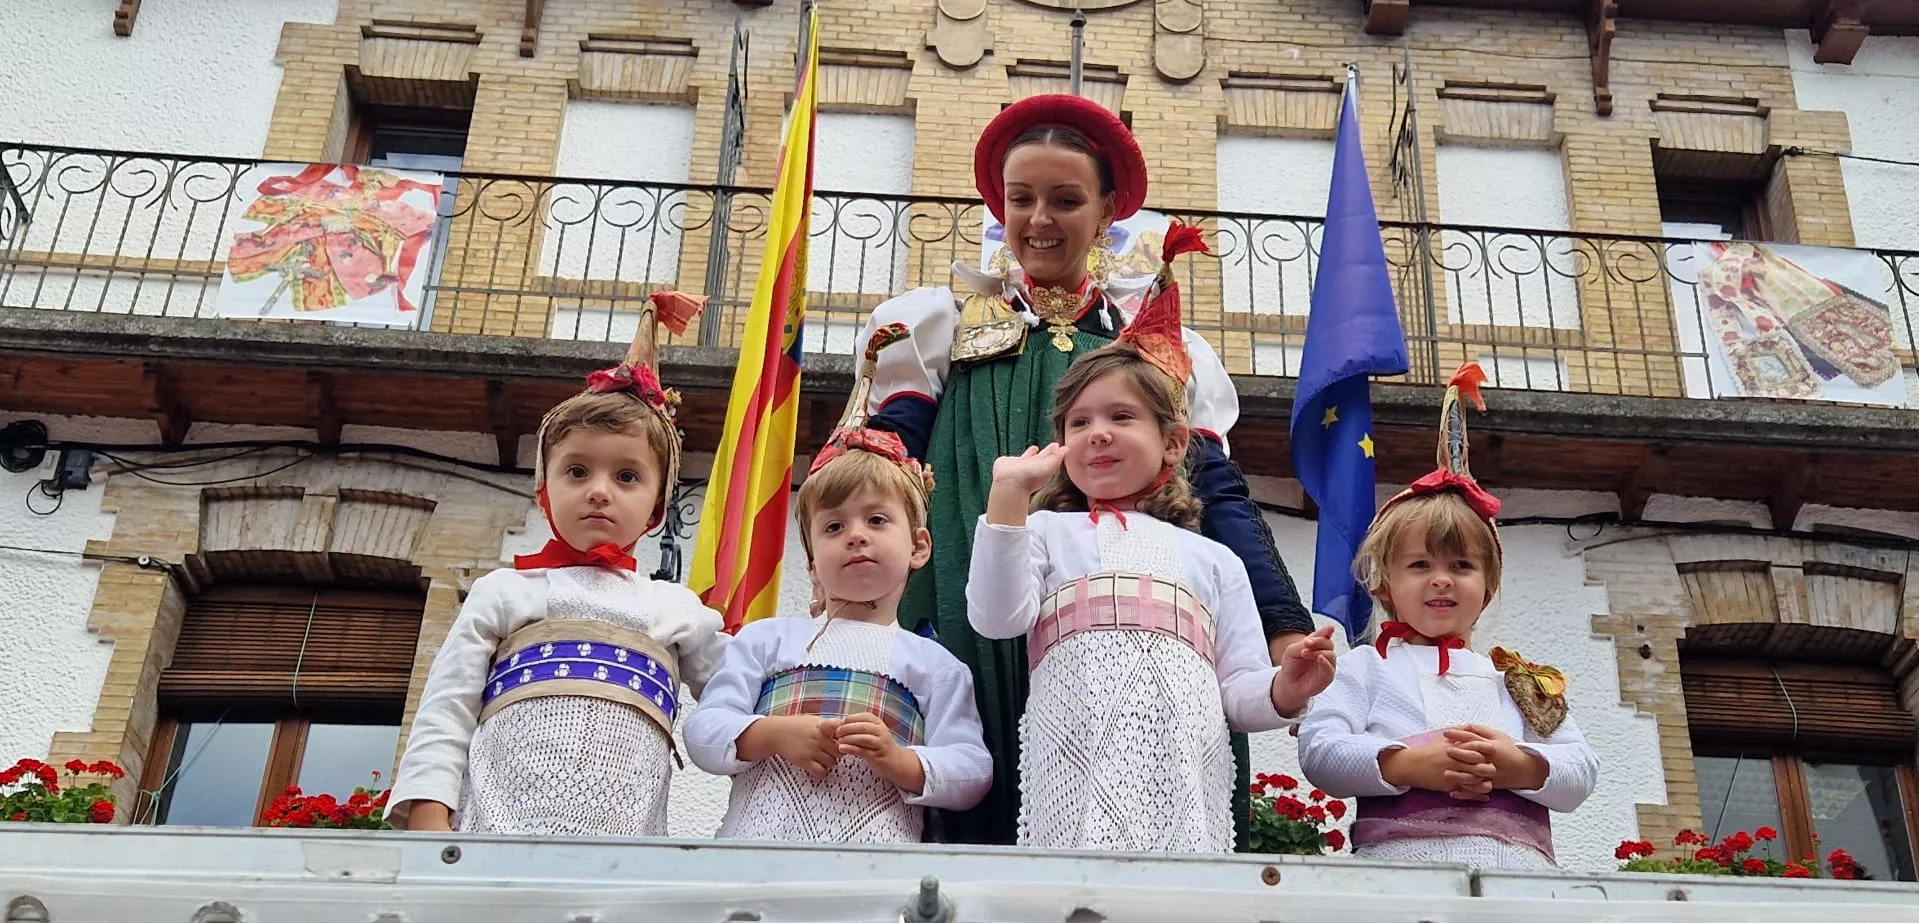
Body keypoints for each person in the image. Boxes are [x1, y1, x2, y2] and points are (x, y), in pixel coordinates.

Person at [860, 93, 1316, 845]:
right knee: (970, 807)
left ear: (1107, 211)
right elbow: (889, 467)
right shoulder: (938, 324)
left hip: (1136, 619)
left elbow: (1220, 497)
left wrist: (1282, 628)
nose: (1039, 220)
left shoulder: (1165, 352)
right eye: (1022, 199)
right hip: (969, 602)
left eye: (1065, 200)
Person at [965, 238, 1337, 851]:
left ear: (1172, 442)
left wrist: (1286, 689)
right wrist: (1008, 499)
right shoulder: (1046, 532)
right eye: (1079, 423)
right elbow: (997, 618)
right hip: (1072, 766)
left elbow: (1240, 693)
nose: (1098, 434)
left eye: (1121, 417)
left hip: (1185, 775)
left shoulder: (1213, 558)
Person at [387, 294, 729, 836]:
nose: (598, 491)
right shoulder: (504, 591)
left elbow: (736, 697)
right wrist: (429, 813)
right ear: (544, 491)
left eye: (626, 477)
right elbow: (447, 706)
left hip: (626, 858)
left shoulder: (677, 609)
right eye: (577, 471)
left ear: (658, 506)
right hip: (490, 842)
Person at [684, 325, 992, 842]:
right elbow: (703, 731)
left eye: (876, 520)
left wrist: (900, 760)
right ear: (811, 563)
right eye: (833, 526)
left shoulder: (935, 664)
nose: (855, 536)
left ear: (919, 546)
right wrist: (774, 733)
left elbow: (972, 770)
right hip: (755, 856)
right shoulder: (767, 640)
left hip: (876, 867)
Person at [1296, 363, 1598, 869]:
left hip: (1519, 881)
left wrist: (1516, 765)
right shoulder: (1364, 667)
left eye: (1462, 565)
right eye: (1419, 565)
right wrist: (1409, 764)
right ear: (1383, 585)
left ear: (1487, 587)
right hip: (1396, 875)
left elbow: (1581, 769)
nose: (1442, 579)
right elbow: (1320, 752)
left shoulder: (1517, 683)